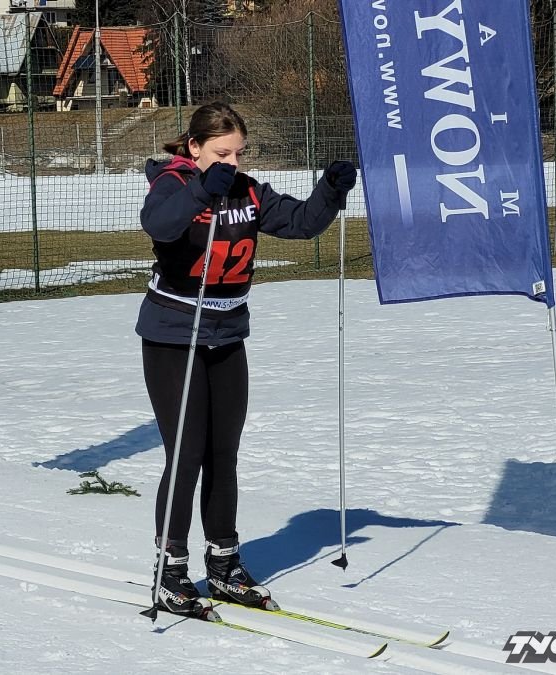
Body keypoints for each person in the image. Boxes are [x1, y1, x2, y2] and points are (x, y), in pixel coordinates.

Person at [138, 102, 357, 615]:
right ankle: (170, 571)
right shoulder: (172, 182)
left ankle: (225, 565)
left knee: (223, 454)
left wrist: (330, 189)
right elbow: (160, 225)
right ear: (194, 147)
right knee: (186, 453)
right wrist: (201, 189)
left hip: (228, 336)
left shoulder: (248, 192)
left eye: (238, 153)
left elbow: (301, 222)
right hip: (175, 336)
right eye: (221, 153)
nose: (232, 163)